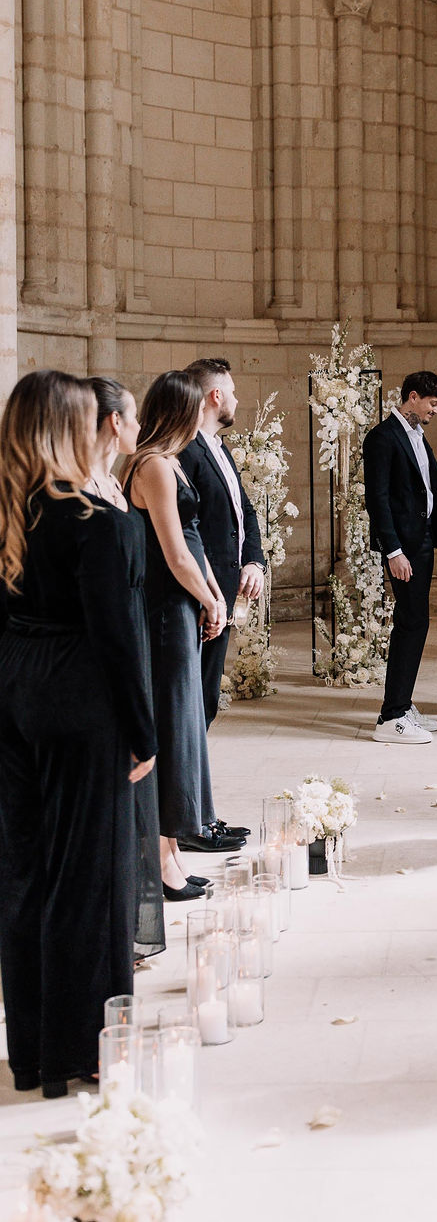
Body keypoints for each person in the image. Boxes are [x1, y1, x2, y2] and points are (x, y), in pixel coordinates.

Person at [0, 371, 156, 1098]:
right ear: (69, 428)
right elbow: (118, 638)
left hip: (12, 695)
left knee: (25, 873)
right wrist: (144, 730)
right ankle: (82, 1051)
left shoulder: (9, 512)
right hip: (78, 698)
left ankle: (32, 1053)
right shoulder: (97, 521)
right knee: (90, 878)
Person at [124, 372, 228, 900]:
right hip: (164, 612)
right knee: (172, 724)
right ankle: (161, 862)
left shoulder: (171, 465)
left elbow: (197, 542)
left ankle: (173, 851)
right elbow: (174, 550)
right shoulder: (153, 467)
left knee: (184, 722)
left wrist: (214, 592)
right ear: (181, 413)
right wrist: (209, 599)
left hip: (183, 606)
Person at [86, 376, 165, 963]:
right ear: (115, 422)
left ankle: (124, 923)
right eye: (133, 416)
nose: (138, 427)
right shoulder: (81, 495)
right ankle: (106, 924)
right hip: (108, 643)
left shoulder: (112, 483)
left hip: (134, 629)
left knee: (138, 791)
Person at [177, 356, 265, 853]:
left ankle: (196, 810)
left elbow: (243, 512)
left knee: (205, 701)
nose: (235, 399)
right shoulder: (185, 452)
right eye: (230, 391)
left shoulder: (219, 447)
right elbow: (191, 534)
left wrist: (253, 561)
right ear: (213, 396)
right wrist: (212, 591)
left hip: (226, 592)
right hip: (198, 598)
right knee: (191, 706)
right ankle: (188, 817)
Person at [363, 370, 437, 744]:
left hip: (424, 540)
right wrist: (393, 551)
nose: (435, 412)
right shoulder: (383, 437)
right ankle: (391, 716)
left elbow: (434, 488)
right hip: (405, 548)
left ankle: (403, 703)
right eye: (432, 404)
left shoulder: (417, 435)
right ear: (412, 397)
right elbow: (377, 499)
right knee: (411, 623)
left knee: (416, 622)